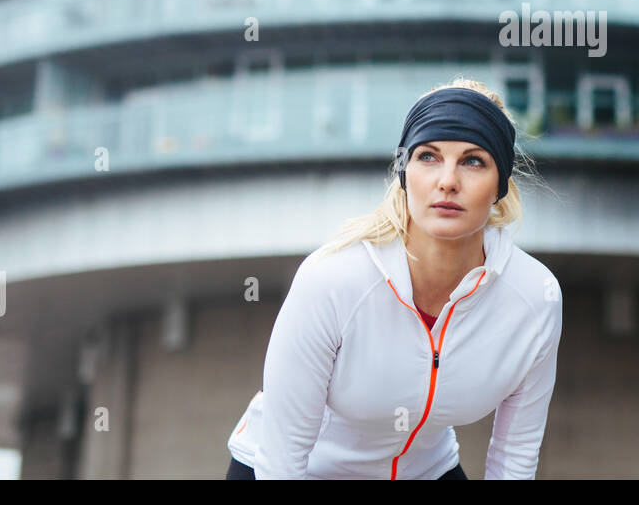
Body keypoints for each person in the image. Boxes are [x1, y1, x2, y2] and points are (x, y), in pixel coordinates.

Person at [223, 77, 563, 479]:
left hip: (425, 471)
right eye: (428, 157)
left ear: (500, 184)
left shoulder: (534, 298)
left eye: (473, 161)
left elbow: (514, 457)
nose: (447, 181)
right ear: (404, 173)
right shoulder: (333, 279)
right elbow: (282, 458)